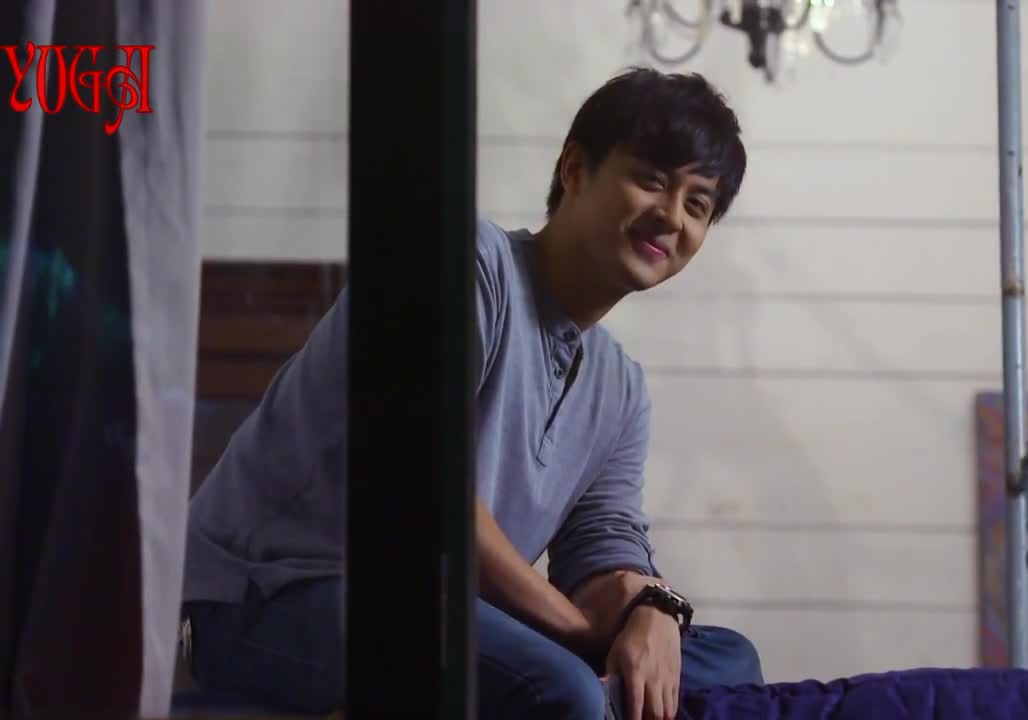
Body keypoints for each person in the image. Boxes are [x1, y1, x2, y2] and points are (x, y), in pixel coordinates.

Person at [179, 67, 763, 719]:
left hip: (446, 612)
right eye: (651, 180)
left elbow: (605, 544)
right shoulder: (461, 262)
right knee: (562, 689)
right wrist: (578, 632)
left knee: (727, 664)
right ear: (575, 169)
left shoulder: (621, 388)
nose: (670, 216)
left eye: (697, 205)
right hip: (278, 594)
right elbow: (424, 491)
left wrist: (650, 610)